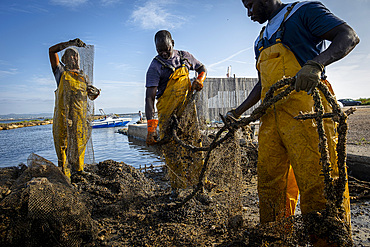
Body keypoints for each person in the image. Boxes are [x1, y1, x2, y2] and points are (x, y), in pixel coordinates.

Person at [226, 0, 359, 245]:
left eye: (251, 5)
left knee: (319, 182)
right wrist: (239, 111)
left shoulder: (303, 11)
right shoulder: (261, 38)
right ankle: (278, 239)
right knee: (270, 185)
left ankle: (328, 241)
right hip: (271, 120)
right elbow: (262, 84)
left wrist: (316, 63)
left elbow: (348, 36)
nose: (248, 13)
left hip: (306, 112)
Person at [145, 30, 207, 189]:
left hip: (187, 111)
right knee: (172, 151)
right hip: (167, 112)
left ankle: (200, 183)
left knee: (195, 146)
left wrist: (200, 80)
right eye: (160, 51)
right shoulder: (155, 67)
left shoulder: (185, 57)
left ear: (173, 42)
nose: (164, 53)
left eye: (167, 49)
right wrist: (151, 129)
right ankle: (178, 188)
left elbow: (202, 68)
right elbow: (149, 98)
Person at [49, 38, 100, 178]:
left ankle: (79, 171)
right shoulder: (60, 72)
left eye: (76, 55)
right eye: (71, 54)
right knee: (62, 144)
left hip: (79, 117)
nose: (75, 57)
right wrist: (70, 43)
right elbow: (51, 51)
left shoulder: (83, 76)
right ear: (65, 58)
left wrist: (95, 93)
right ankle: (64, 173)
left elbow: (91, 97)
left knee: (79, 143)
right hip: (63, 116)